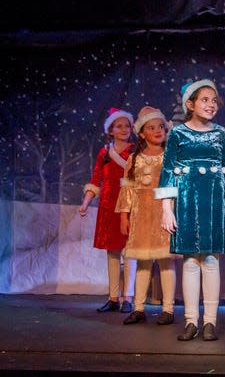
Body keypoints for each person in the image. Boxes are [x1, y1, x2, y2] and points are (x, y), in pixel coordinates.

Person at [155, 79, 225, 341]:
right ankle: (191, 321)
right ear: (190, 104)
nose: (211, 105)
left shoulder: (221, 134)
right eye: (205, 100)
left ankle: (210, 322)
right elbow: (169, 170)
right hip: (186, 201)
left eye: (214, 101)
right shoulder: (178, 134)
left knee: (210, 260)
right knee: (190, 261)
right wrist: (166, 209)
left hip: (214, 201)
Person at [116, 106, 178, 326]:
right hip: (141, 214)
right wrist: (124, 216)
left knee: (166, 261)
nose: (158, 131)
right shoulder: (135, 159)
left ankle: (168, 308)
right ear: (142, 133)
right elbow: (127, 189)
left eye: (161, 126)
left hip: (164, 212)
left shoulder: (171, 156)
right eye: (151, 128)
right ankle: (139, 307)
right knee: (143, 262)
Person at [79, 108, 137, 313]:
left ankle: (128, 297)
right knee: (112, 252)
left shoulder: (135, 152)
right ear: (110, 130)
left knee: (129, 252)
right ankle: (113, 297)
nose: (124, 129)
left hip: (129, 206)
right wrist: (86, 203)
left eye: (127, 125)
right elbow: (96, 179)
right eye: (118, 126)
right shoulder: (104, 153)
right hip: (108, 207)